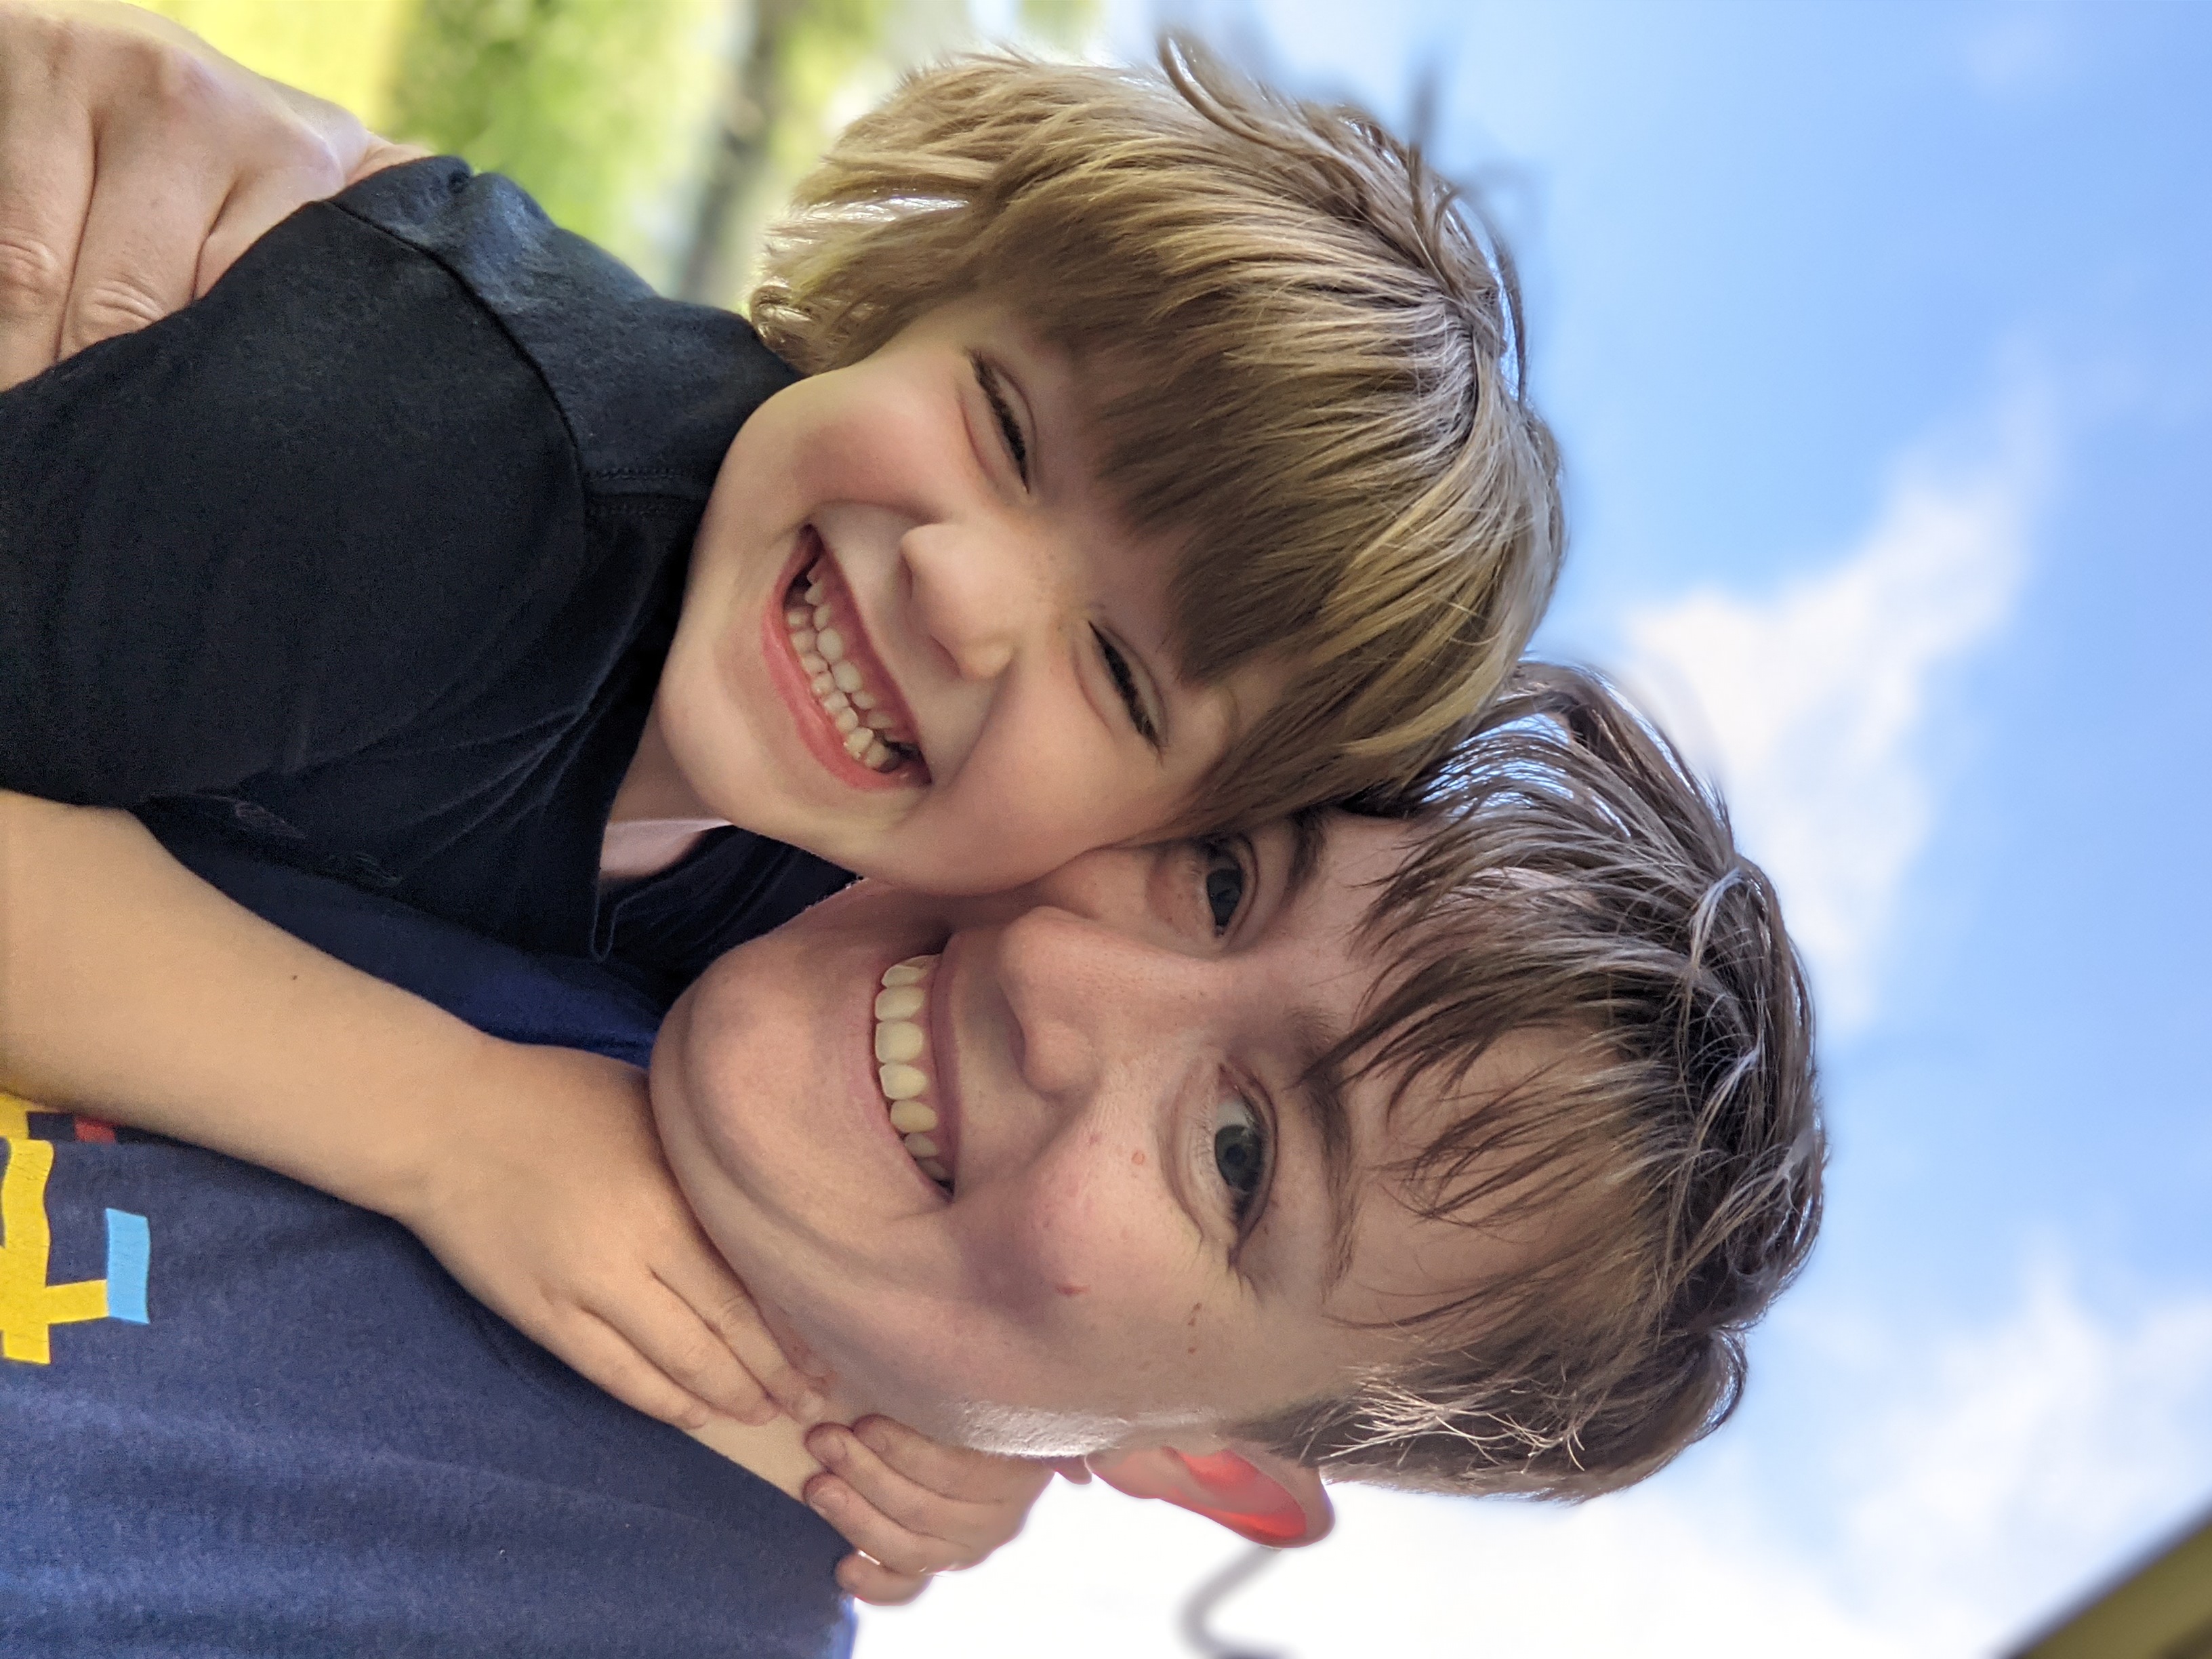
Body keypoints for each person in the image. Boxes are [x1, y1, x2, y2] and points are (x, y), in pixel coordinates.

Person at [0, 0, 1563, 1441]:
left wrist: (980, 1449)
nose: (961, 590)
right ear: (926, 291)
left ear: (1148, 829)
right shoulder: (452, 468)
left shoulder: (825, 879)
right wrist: (445, 1119)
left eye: (1123, 676)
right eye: (1006, 427)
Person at [1, 666, 1824, 1656]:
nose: (1052, 971)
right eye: (1217, 880)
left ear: (1207, 1464)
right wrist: (437, 1118)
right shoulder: (622, 867)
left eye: (1244, 1152)